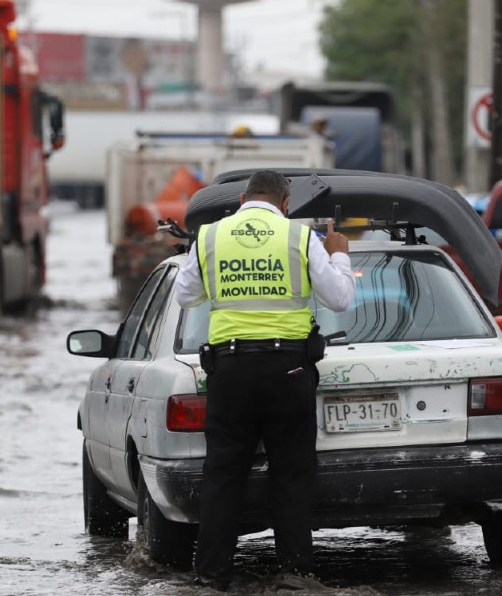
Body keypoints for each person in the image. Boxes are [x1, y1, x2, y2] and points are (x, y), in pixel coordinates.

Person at [174, 170, 356, 591]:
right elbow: (341, 299)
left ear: (242, 199)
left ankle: (212, 575)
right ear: (286, 204)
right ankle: (296, 575)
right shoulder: (298, 237)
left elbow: (186, 296)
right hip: (288, 369)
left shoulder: (210, 237)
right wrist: (340, 254)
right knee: (291, 474)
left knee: (222, 473)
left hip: (230, 368)